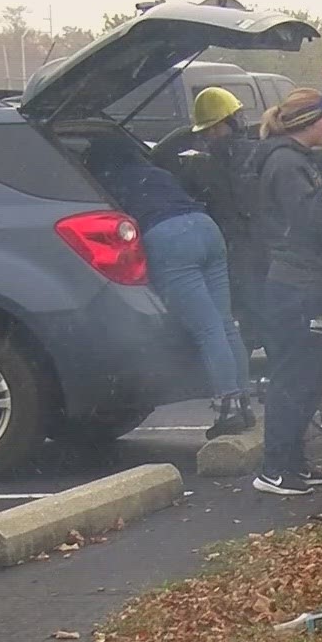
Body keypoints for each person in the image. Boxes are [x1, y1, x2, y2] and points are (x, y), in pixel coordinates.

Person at [84, 137, 254, 439]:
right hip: (205, 227)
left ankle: (226, 405)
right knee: (225, 322)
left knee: (207, 328)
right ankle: (243, 402)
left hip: (168, 237)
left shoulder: (104, 181)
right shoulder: (158, 172)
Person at [248, 88, 322, 497]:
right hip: (296, 284)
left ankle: (294, 461)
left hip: (309, 280)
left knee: (311, 374)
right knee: (293, 374)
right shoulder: (286, 163)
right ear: (307, 121)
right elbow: (308, 217)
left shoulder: (297, 160)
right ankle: (274, 468)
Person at [154, 87, 269, 359]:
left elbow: (159, 156)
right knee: (258, 313)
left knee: (241, 313)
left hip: (234, 246)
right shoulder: (258, 152)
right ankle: (264, 372)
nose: (207, 136)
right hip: (258, 245)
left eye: (209, 130)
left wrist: (188, 132)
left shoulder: (202, 165)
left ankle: (245, 371)